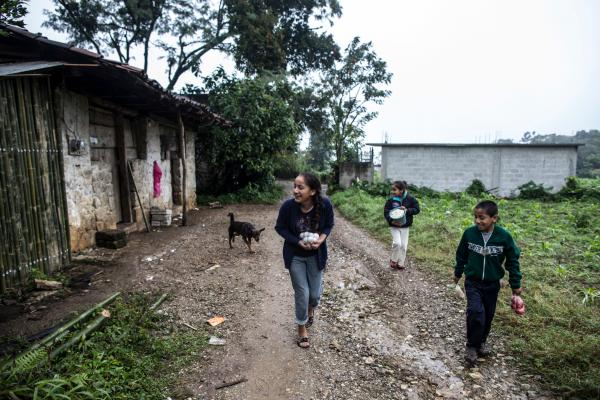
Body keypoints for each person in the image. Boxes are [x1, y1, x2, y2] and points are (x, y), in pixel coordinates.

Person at [454, 200, 523, 364]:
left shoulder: (503, 236)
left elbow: (513, 261)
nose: (477, 221)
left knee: (488, 315)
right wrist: (457, 273)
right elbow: (461, 255)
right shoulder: (469, 234)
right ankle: (471, 345)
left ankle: (482, 341)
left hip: (492, 284)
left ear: (494, 218)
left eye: (482, 218)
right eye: (475, 217)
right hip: (473, 281)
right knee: (476, 312)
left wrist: (516, 284)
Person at [275, 172, 334, 349]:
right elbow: (280, 227)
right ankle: (301, 328)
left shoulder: (325, 205)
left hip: (316, 256)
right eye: (295, 186)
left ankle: (310, 309)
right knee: (302, 292)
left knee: (314, 295)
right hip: (295, 256)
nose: (295, 190)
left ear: (313, 191)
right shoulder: (288, 207)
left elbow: (328, 225)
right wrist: (297, 241)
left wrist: (321, 240)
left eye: (301, 187)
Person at [383, 180, 420, 270]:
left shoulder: (410, 199)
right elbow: (386, 212)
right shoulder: (391, 200)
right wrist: (391, 221)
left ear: (401, 190)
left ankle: (401, 263)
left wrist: (407, 210)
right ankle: (394, 260)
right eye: (392, 190)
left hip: (405, 226)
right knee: (397, 243)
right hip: (394, 226)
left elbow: (417, 209)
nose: (393, 192)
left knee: (403, 245)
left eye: (394, 190)